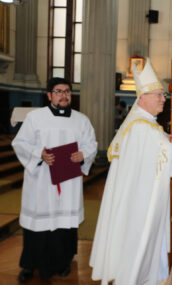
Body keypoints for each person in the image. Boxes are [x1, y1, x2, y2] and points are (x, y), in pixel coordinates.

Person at [89, 59, 172, 285]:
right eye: (159, 95)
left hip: (139, 196)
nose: (164, 99)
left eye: (163, 95)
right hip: (140, 202)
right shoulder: (142, 126)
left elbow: (157, 152)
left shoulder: (144, 124)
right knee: (140, 245)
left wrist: (165, 139)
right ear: (142, 98)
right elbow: (165, 153)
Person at [12, 77, 98, 281]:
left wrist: (83, 155)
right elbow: (20, 143)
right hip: (41, 180)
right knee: (37, 225)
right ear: (49, 95)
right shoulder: (35, 118)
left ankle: (63, 263)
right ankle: (29, 265)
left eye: (67, 91)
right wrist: (38, 154)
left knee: (64, 225)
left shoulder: (81, 120)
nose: (64, 95)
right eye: (58, 91)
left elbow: (91, 144)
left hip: (68, 182)